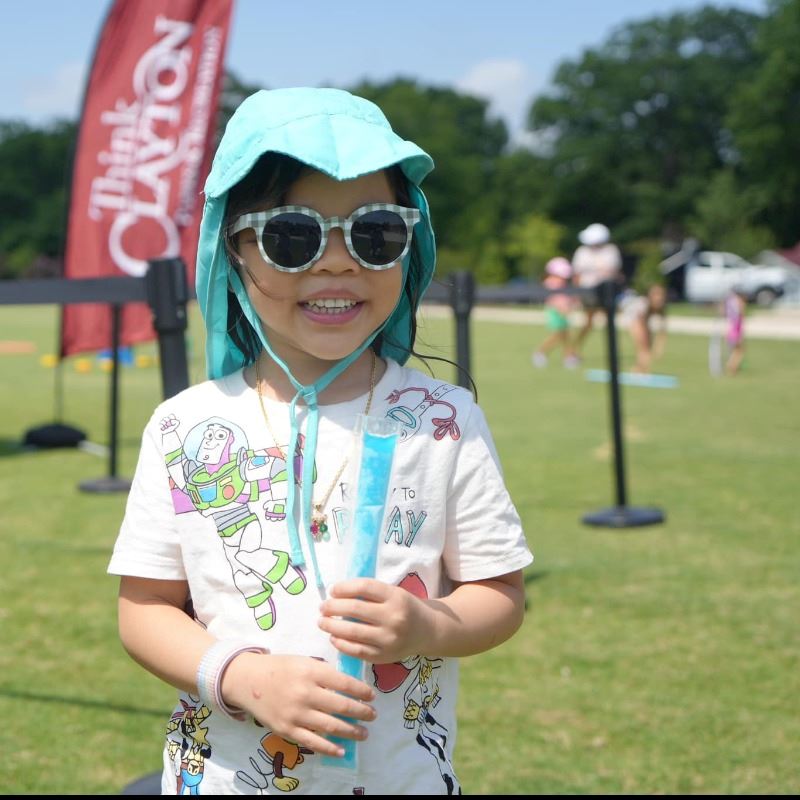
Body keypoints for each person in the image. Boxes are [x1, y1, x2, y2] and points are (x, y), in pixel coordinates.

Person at [108, 88, 532, 795]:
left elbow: (502, 593)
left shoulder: (445, 420)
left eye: (374, 235)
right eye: (294, 236)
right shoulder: (184, 428)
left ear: (411, 245)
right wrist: (241, 676)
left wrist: (428, 624)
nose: (337, 265)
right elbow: (144, 608)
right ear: (235, 253)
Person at [570, 223, 623, 358]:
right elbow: (577, 275)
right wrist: (576, 294)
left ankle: (613, 352)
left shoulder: (611, 251)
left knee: (610, 322)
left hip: (607, 292)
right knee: (588, 322)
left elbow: (614, 273)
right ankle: (575, 348)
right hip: (588, 292)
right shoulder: (582, 252)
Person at [531, 256, 579, 368]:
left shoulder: (562, 284)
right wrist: (563, 309)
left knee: (566, 336)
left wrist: (571, 303)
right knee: (558, 335)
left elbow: (566, 298)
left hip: (563, 312)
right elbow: (554, 300)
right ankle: (540, 352)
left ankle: (569, 356)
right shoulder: (551, 283)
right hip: (556, 312)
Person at [618, 284, 668, 373]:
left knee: (646, 344)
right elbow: (640, 324)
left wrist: (659, 347)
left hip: (641, 320)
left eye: (661, 295)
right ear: (650, 296)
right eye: (656, 295)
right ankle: (640, 368)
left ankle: (641, 368)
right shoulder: (643, 304)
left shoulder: (661, 307)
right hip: (631, 317)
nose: (658, 298)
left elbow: (662, 329)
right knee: (642, 344)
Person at [723, 287, 747, 375]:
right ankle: (732, 366)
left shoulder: (730, 302)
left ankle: (732, 365)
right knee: (739, 351)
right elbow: (740, 318)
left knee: (735, 350)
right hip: (736, 330)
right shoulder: (739, 303)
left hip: (731, 329)